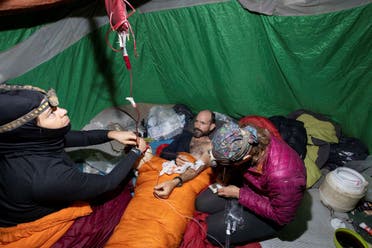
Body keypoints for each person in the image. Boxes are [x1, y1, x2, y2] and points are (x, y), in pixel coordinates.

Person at [0, 84, 147, 245]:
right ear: (29, 130)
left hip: (12, 208)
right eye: (51, 114)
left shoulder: (20, 142)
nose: (63, 111)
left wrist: (111, 134)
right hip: (36, 226)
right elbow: (108, 183)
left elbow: (75, 137)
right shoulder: (46, 177)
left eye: (55, 107)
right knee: (116, 203)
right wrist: (135, 153)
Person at [195, 121, 307, 246]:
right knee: (202, 203)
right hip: (250, 186)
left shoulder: (284, 176)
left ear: (245, 159)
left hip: (271, 212)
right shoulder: (246, 134)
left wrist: (239, 194)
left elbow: (281, 217)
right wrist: (225, 175)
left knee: (210, 230)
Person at [154, 110, 216, 198]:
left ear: (211, 127)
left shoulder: (210, 146)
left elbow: (204, 169)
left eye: (203, 123)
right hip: (168, 174)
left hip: (188, 181)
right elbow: (163, 153)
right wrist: (175, 157)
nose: (197, 126)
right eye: (196, 122)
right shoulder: (184, 137)